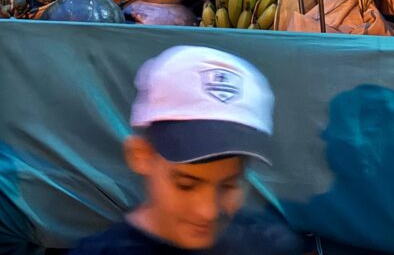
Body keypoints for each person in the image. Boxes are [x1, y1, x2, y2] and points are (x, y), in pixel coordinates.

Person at [69, 45, 304, 255]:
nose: (208, 212)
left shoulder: (271, 245)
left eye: (229, 185)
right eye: (186, 185)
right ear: (140, 156)